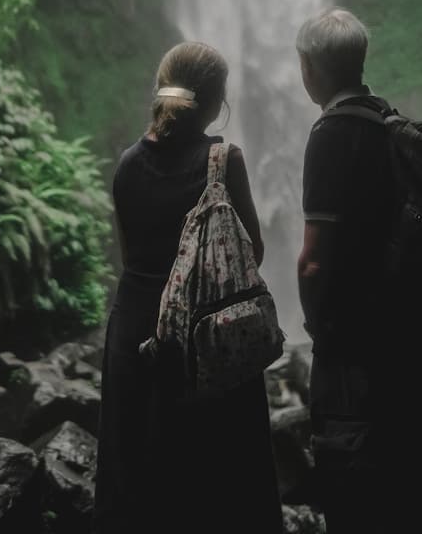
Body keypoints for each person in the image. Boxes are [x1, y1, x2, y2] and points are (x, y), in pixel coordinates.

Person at [94, 41, 283, 534]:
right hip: (207, 336)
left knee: (136, 473)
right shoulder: (224, 161)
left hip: (135, 333)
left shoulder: (127, 164)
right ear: (219, 101)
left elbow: (130, 253)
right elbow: (251, 253)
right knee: (219, 478)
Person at [296, 8, 422, 534]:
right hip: (411, 332)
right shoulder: (391, 123)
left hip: (356, 343)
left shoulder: (331, 133)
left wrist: (316, 325)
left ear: (310, 68)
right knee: (410, 472)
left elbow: (314, 259)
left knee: (353, 476)